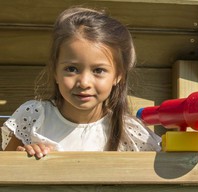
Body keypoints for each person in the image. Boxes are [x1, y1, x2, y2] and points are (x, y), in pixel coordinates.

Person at [1, 6, 161, 158]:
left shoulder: (129, 132)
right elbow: (6, 172)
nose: (84, 82)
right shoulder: (33, 116)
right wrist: (23, 158)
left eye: (98, 70)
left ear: (119, 76)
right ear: (55, 71)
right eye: (71, 69)